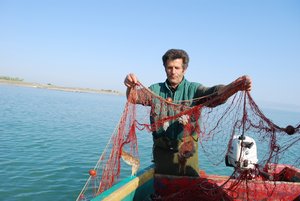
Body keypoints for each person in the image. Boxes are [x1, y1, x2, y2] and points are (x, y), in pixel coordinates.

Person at [124, 49, 252, 177]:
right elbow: (134, 97)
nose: (173, 72)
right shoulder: (155, 90)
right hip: (162, 157)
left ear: (184, 69)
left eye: (177, 68)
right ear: (165, 68)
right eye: (169, 67)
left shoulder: (194, 90)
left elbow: (215, 94)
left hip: (188, 157)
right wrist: (129, 86)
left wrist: (234, 87)